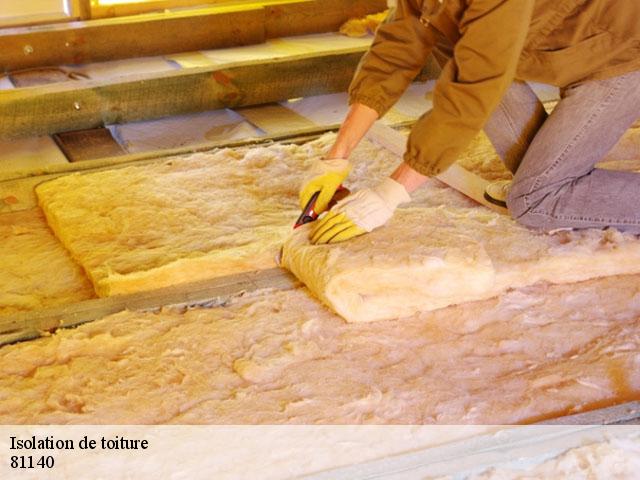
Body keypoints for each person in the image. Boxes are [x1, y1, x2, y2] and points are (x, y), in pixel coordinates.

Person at [300, 0, 640, 245]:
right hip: (566, 48)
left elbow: (472, 89)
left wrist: (390, 194)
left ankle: (547, 188)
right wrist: (335, 158)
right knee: (444, 30)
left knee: (534, 199)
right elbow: (397, 47)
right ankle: (545, 180)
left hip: (621, 55)